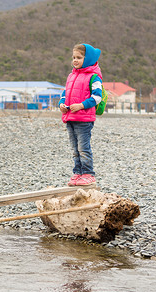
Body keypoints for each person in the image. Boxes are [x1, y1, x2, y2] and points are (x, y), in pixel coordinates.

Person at [59, 43, 103, 186]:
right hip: (70, 117)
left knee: (83, 148)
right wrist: (61, 104)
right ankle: (77, 173)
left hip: (84, 119)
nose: (75, 60)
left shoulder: (94, 77)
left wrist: (81, 105)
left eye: (79, 57)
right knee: (74, 149)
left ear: (88, 58)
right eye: (73, 57)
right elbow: (65, 93)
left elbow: (97, 97)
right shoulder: (71, 76)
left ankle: (89, 174)